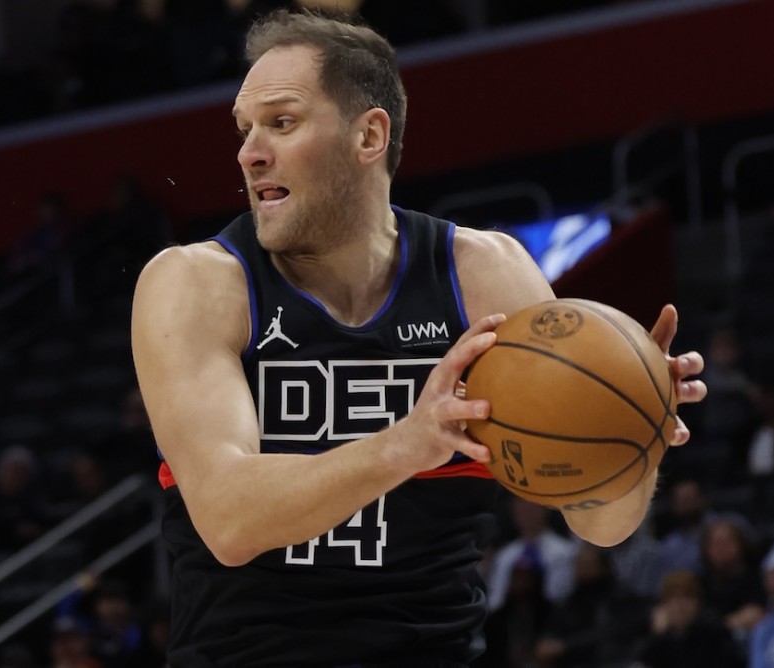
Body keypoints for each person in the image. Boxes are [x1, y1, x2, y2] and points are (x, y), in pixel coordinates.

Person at [130, 9, 707, 665]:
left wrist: (636, 430)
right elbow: (230, 522)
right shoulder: (195, 284)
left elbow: (598, 524)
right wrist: (406, 444)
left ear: (369, 135)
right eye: (245, 128)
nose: (249, 151)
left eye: (281, 123)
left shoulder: (483, 273)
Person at [634, 570, 744, 668]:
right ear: (664, 605)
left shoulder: (715, 635)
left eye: (686, 598)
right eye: (673, 599)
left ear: (697, 603)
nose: (680, 606)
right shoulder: (657, 643)